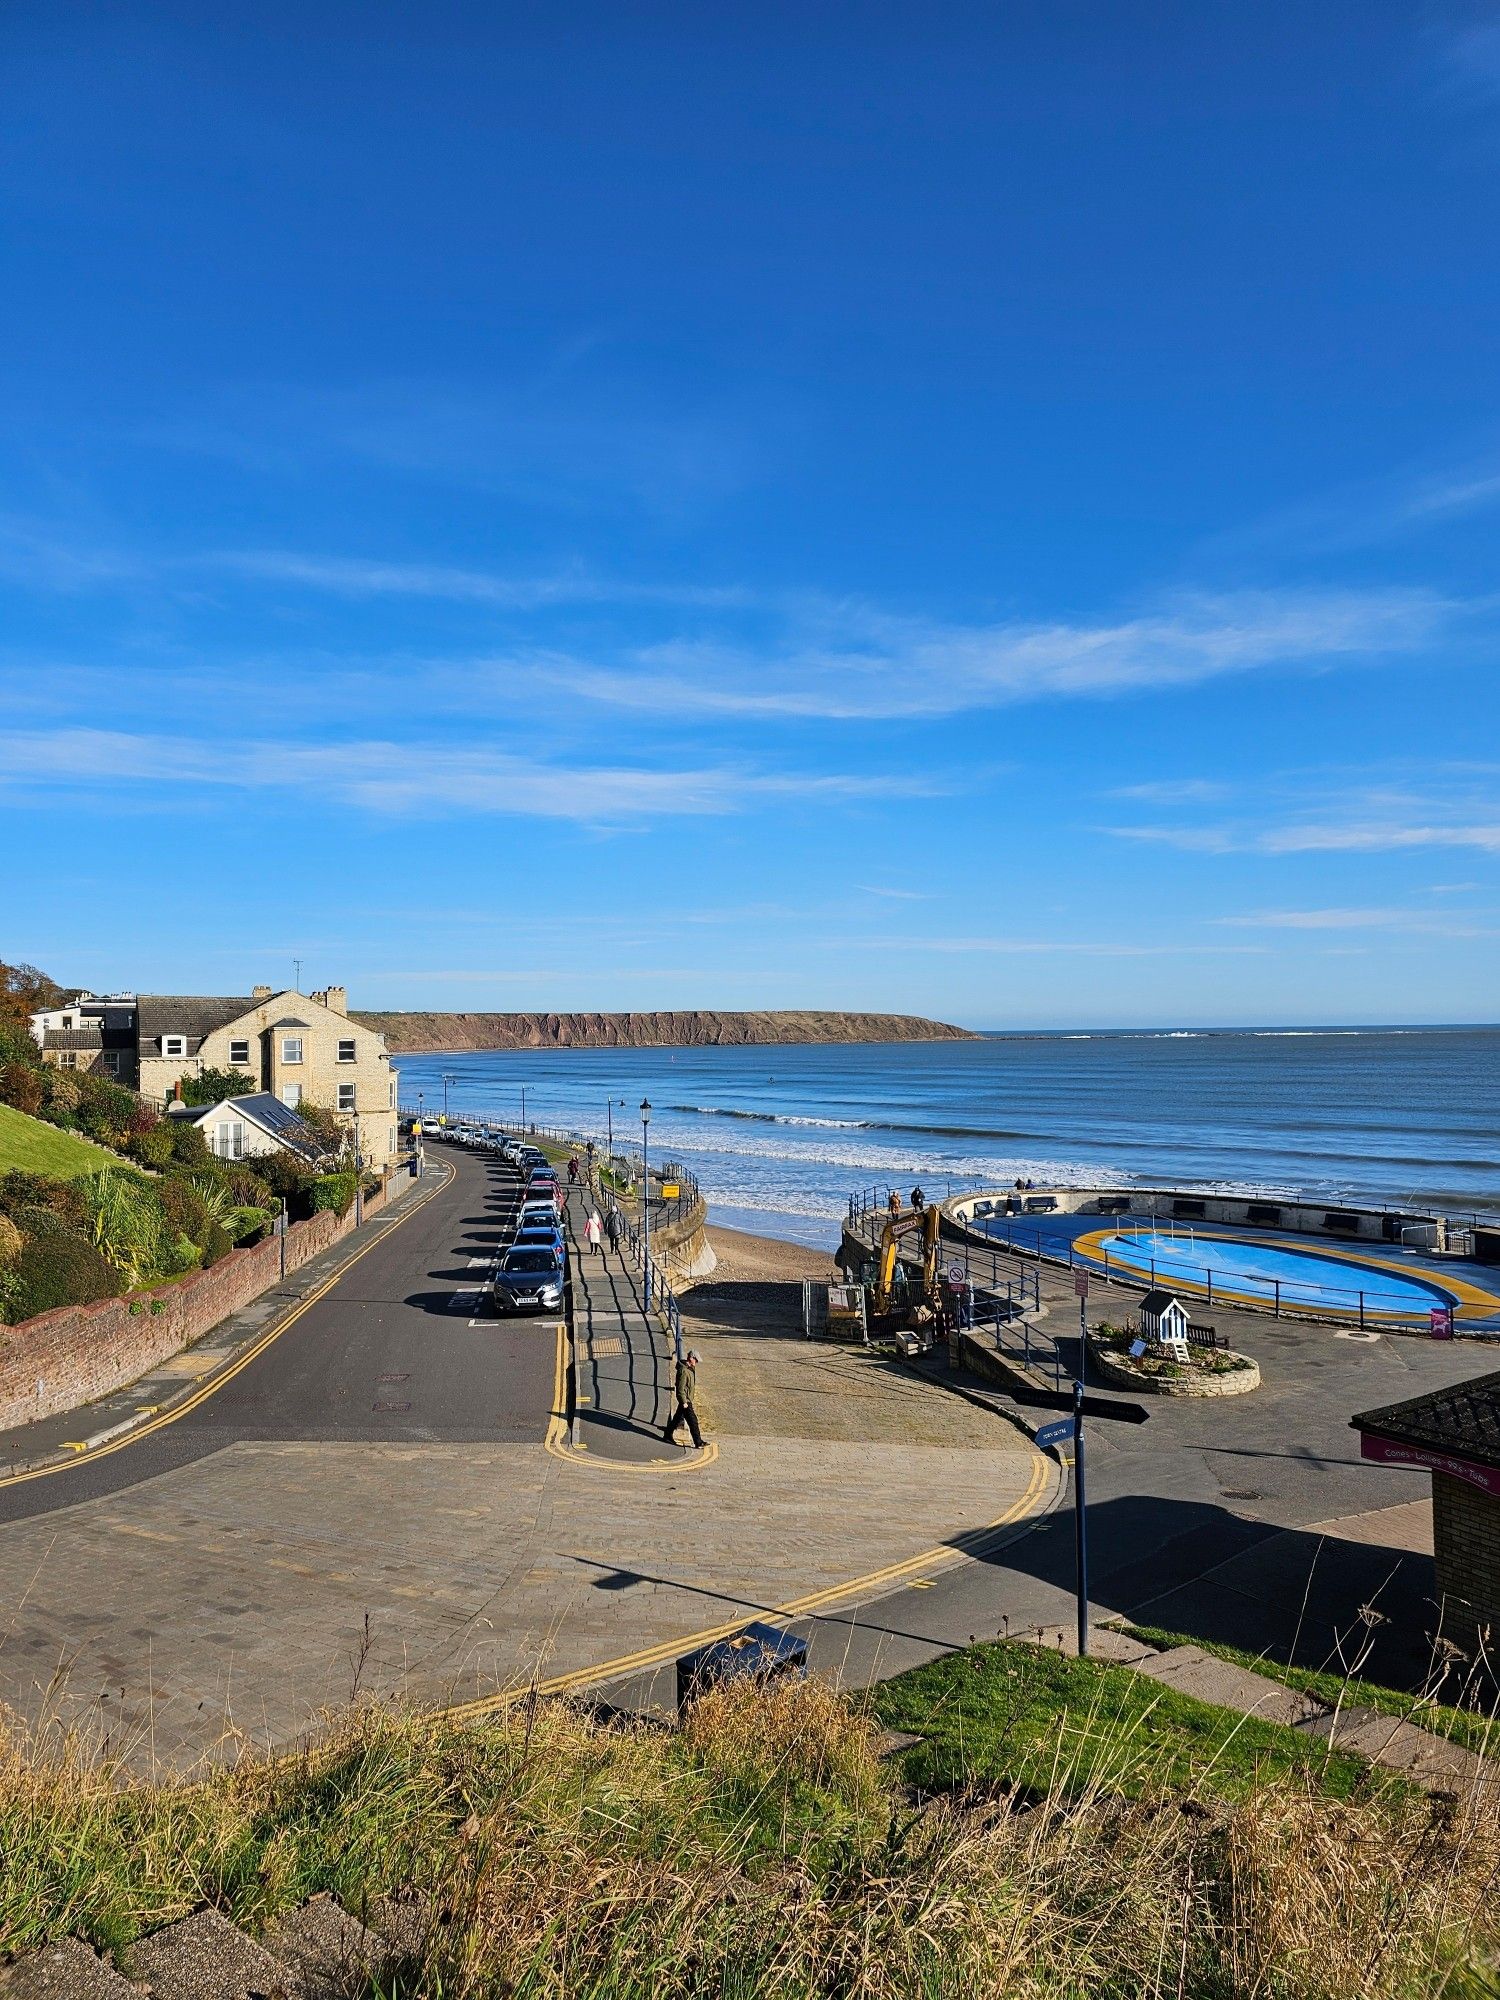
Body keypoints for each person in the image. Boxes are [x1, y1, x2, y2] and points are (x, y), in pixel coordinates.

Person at [664, 1349, 704, 1447]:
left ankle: (667, 1434)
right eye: (696, 1360)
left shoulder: (690, 1368)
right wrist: (684, 1401)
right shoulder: (684, 1371)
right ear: (691, 1358)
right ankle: (698, 1442)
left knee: (677, 1418)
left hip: (687, 1399)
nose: (697, 1362)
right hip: (686, 1400)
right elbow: (680, 1388)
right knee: (693, 1421)